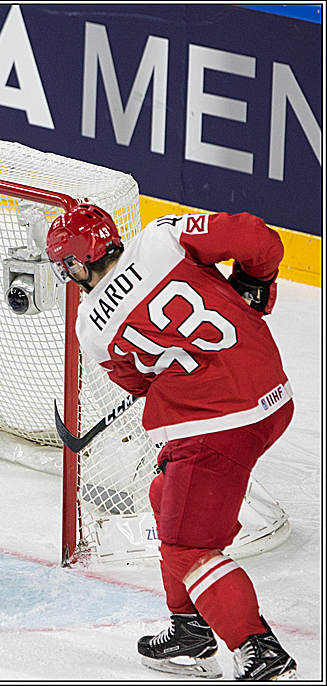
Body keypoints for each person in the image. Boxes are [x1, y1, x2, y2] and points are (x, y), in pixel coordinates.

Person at [45, 205, 297, 681]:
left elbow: (138, 385)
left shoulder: (91, 330)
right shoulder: (163, 237)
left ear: (78, 264)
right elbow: (256, 238)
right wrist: (255, 283)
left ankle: (258, 649)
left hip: (217, 426)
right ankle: (189, 628)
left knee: (186, 547)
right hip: (271, 393)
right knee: (165, 498)